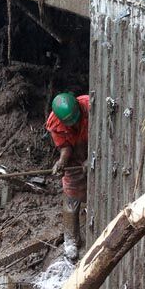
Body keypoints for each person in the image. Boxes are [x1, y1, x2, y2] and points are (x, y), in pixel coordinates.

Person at [46, 92, 90, 260]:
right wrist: (62, 162)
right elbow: (65, 146)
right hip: (75, 152)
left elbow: (106, 133)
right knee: (71, 193)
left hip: (94, 147)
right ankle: (71, 240)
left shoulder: (90, 105)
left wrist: (91, 157)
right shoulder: (55, 123)